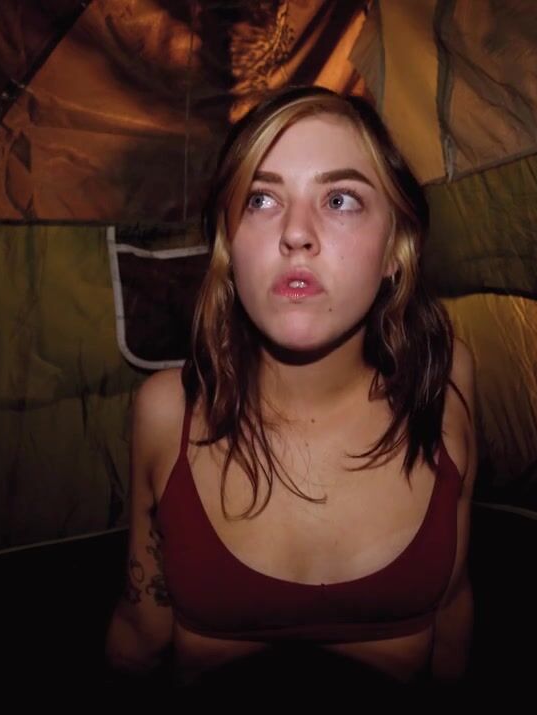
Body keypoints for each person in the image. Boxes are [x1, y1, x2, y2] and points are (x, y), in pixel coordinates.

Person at [104, 85, 476, 692]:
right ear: (228, 248)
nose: (297, 234)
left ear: (395, 250)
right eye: (261, 199)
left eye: (340, 199)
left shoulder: (446, 385)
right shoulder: (167, 411)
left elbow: (454, 606)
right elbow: (140, 630)